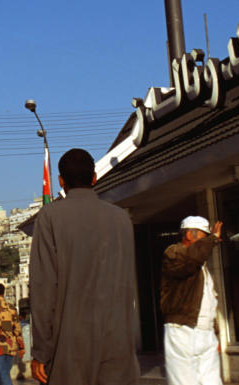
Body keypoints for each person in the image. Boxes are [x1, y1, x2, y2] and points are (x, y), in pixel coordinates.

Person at [29, 148, 140, 385]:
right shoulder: (121, 219)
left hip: (71, 344)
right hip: (118, 344)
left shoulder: (50, 217)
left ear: (61, 181)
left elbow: (43, 289)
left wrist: (40, 352)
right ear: (94, 178)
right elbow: (128, 283)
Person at [161, 215, 223, 385]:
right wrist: (213, 239)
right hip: (182, 330)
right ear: (189, 235)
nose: (208, 244)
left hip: (206, 333)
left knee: (212, 381)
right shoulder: (174, 253)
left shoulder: (202, 269)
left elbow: (210, 303)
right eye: (204, 238)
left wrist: (215, 335)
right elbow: (191, 259)